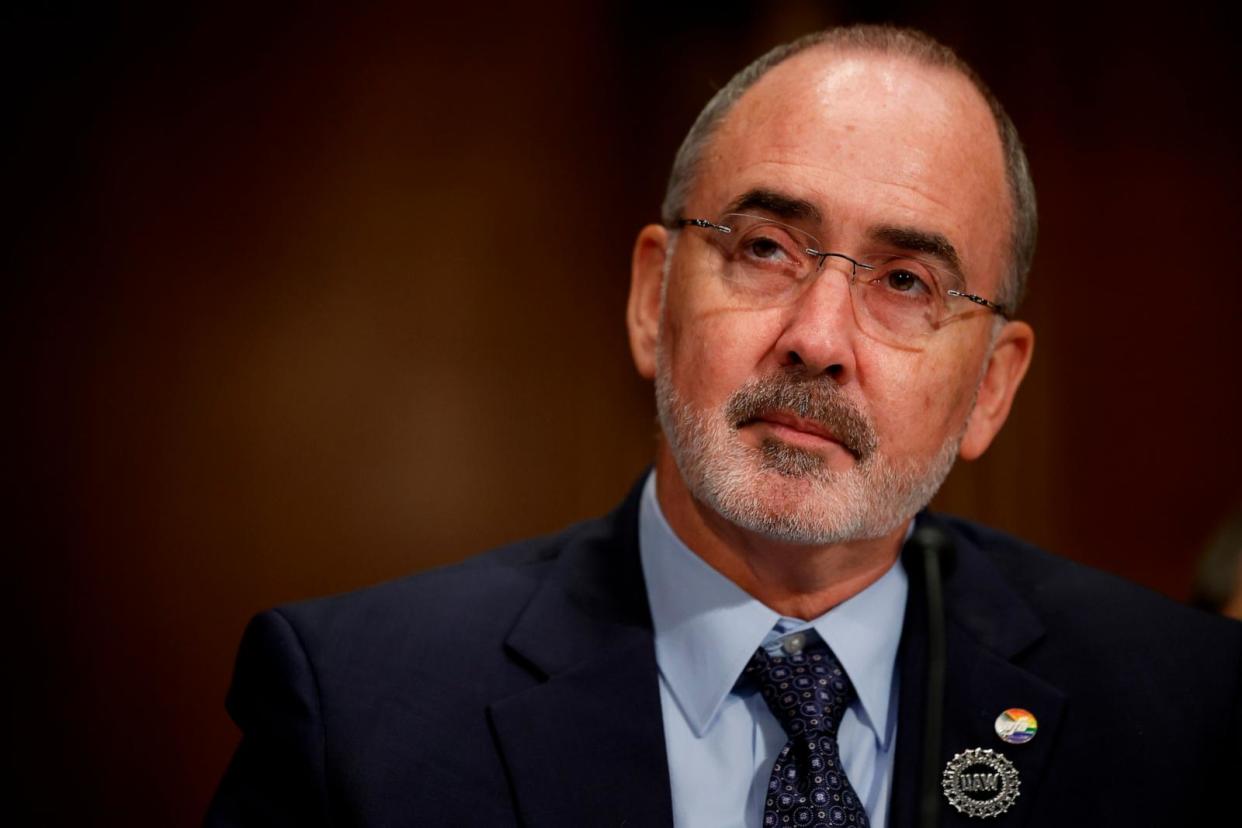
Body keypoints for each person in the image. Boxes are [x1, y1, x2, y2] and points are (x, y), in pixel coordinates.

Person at [206, 25, 1242, 828]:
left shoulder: (1183, 713)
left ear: (991, 390)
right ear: (653, 295)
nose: (818, 337)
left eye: (905, 281)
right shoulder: (361, 711)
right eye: (764, 248)